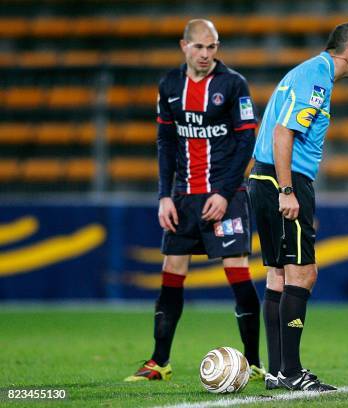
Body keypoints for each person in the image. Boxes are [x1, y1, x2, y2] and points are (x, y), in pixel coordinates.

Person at [125, 19, 264, 382]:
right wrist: (163, 197)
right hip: (183, 197)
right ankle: (159, 363)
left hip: (226, 196)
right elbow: (165, 144)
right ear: (184, 46)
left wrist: (223, 192)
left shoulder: (233, 85)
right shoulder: (169, 85)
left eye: (212, 47)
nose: (206, 54)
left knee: (237, 272)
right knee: (172, 271)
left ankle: (253, 361)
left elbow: (245, 143)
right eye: (199, 47)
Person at [248, 22, 348, 391]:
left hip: (264, 177)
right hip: (283, 180)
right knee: (303, 274)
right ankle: (291, 371)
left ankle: (277, 371)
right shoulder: (317, 79)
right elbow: (282, 132)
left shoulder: (306, 73)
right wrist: (288, 190)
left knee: (278, 275)